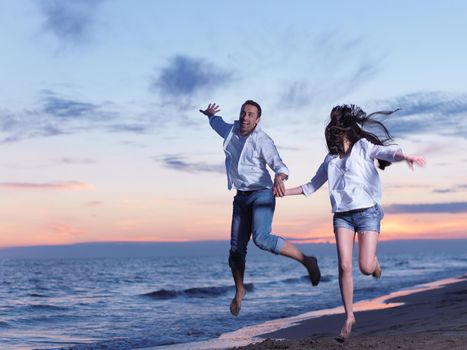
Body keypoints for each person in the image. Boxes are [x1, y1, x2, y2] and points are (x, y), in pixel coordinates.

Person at [283, 104, 425, 339]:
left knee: (365, 267)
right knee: (344, 266)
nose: (333, 135)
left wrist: (405, 157)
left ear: (346, 130)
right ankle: (349, 316)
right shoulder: (330, 160)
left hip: (368, 212)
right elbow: (310, 186)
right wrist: (282, 192)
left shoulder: (363, 147)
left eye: (337, 130)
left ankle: (375, 264)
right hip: (342, 217)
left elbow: (387, 153)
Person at [199, 101, 321, 316]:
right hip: (241, 196)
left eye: (250, 115)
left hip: (263, 192)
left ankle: (307, 260)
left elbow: (279, 165)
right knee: (236, 251)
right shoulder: (231, 131)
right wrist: (210, 115)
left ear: (257, 119)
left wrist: (279, 179)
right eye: (243, 113)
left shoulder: (262, 140)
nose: (245, 118)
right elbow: (217, 123)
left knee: (261, 238)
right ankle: (239, 291)